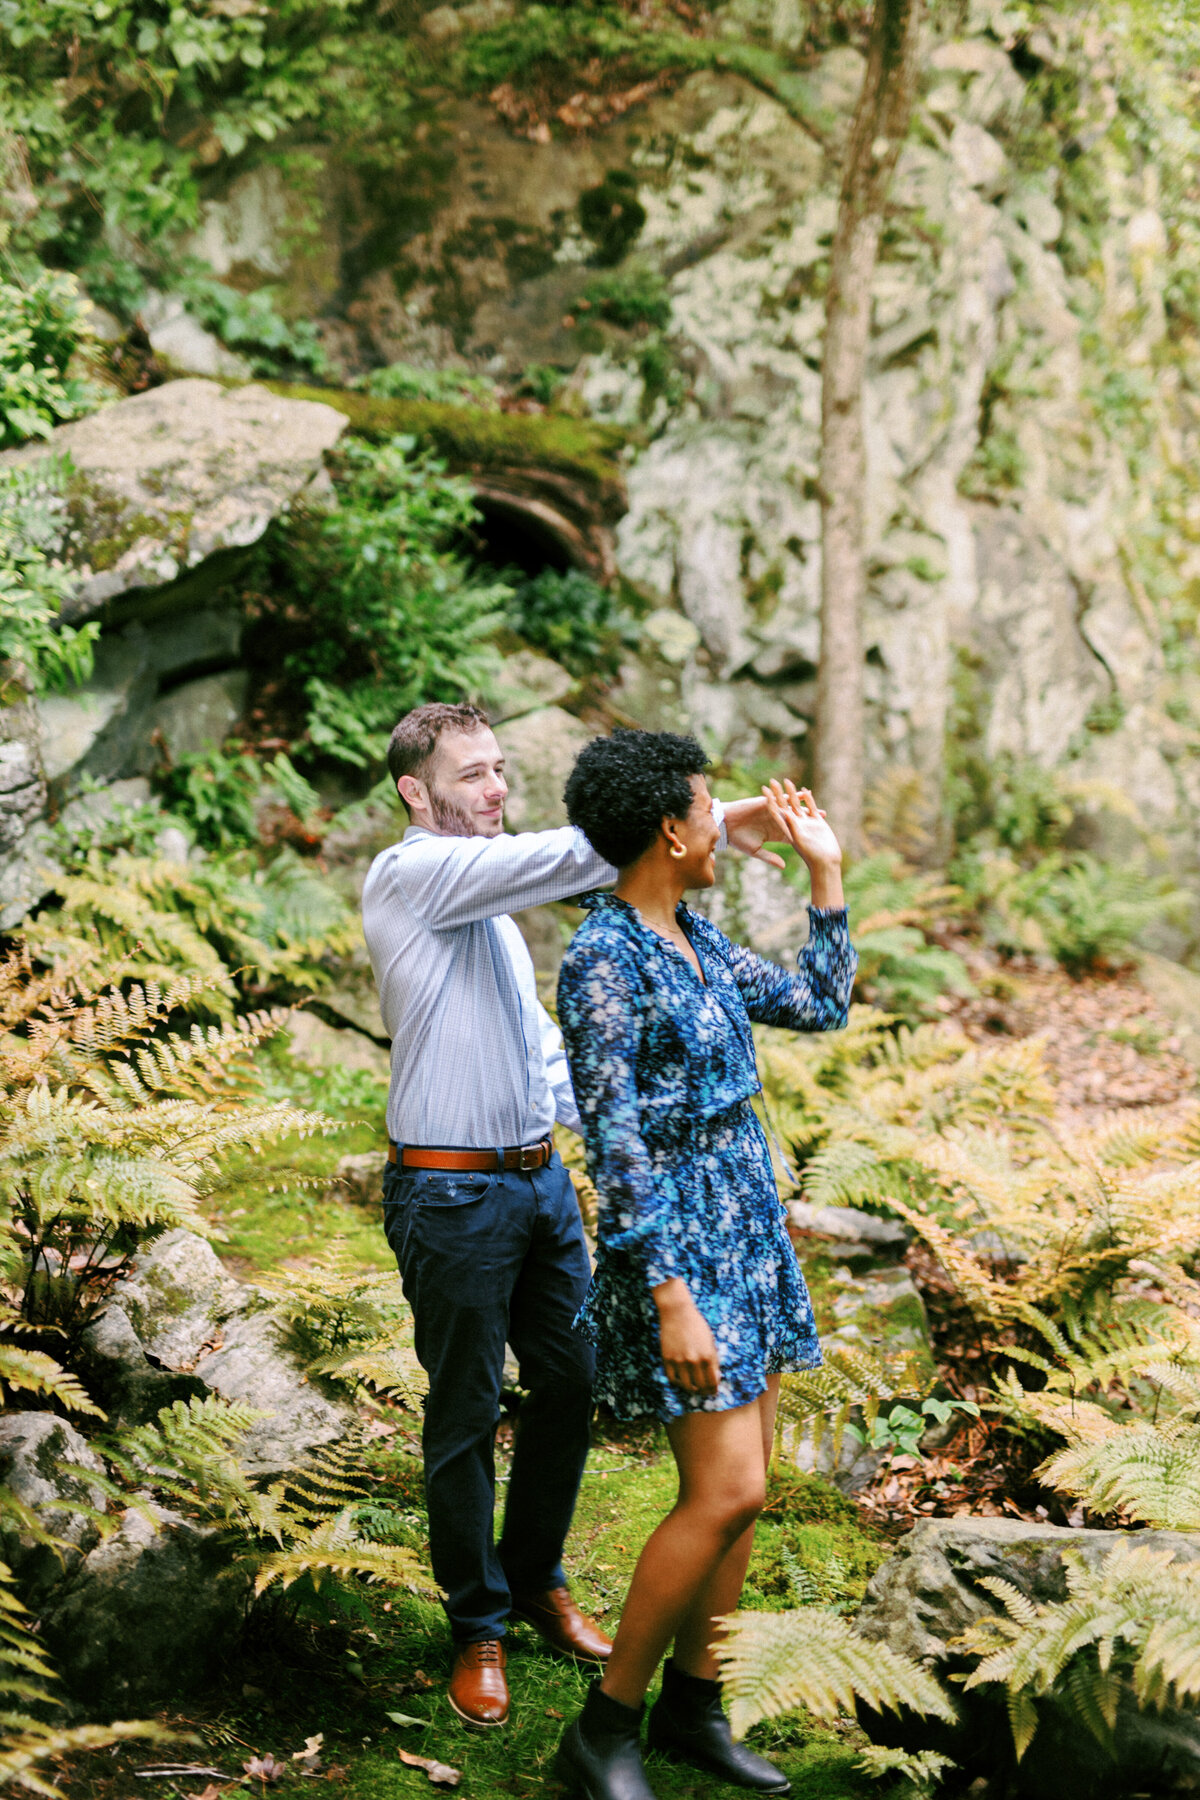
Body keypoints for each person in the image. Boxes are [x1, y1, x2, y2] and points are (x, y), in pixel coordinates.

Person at [361, 702, 794, 1731]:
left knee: (570, 1383)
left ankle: (537, 1578)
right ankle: (478, 1627)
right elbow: (577, 858)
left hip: (540, 1184)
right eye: (472, 775)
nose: (497, 789)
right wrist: (713, 817)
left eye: (502, 769)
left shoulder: (494, 914)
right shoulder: (415, 874)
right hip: (450, 1190)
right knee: (465, 1411)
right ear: (417, 794)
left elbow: (542, 1050)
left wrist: (619, 1129)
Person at [553, 729, 856, 1800]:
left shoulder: (693, 933)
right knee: (720, 1491)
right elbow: (614, 1140)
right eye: (710, 807)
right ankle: (602, 1729)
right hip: (678, 1248)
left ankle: (696, 1706)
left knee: (750, 1493)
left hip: (747, 1226)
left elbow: (821, 1004)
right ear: (669, 831)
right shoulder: (602, 959)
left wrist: (824, 872)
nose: (724, 820)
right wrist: (669, 1294)